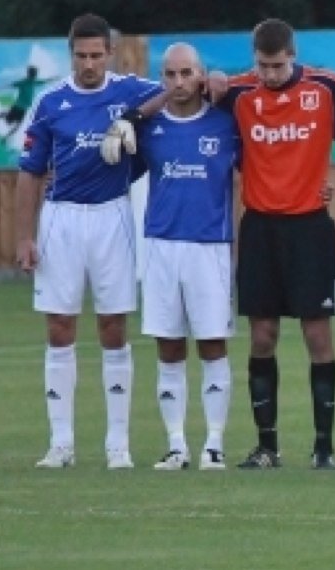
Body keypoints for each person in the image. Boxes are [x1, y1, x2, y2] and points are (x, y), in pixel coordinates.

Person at [216, 19, 335, 469]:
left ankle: (323, 447)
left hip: (309, 228)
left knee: (317, 334)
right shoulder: (238, 92)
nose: (270, 74)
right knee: (262, 335)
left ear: (293, 56)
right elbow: (187, 89)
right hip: (259, 228)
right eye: (262, 66)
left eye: (277, 65)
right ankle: (267, 447)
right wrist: (210, 80)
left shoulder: (324, 87)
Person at [16, 13, 161, 469]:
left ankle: (118, 444)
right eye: (81, 56)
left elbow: (176, 90)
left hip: (112, 215)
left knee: (113, 326)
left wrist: (134, 118)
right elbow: (30, 172)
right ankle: (61, 443)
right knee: (60, 326)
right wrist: (24, 235)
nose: (89, 64)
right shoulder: (50, 102)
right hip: (61, 218)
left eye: (97, 55)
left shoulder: (129, 90)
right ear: (71, 55)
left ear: (111, 54)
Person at [126, 43, 240, 471]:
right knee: (169, 346)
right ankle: (176, 445)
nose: (179, 82)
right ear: (162, 78)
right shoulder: (149, 129)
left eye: (186, 73)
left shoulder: (227, 124)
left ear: (201, 75)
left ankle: (214, 443)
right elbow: (118, 169)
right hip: (160, 246)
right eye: (170, 74)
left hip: (210, 246)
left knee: (212, 344)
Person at [0, 65, 54, 144]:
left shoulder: (33, 82)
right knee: (9, 121)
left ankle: (5, 138)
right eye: (34, 74)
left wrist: (53, 79)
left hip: (23, 109)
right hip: (17, 106)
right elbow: (12, 85)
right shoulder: (23, 82)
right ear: (29, 74)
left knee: (17, 125)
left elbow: (44, 81)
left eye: (35, 74)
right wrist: (2, 87)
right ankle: (3, 114)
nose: (35, 76)